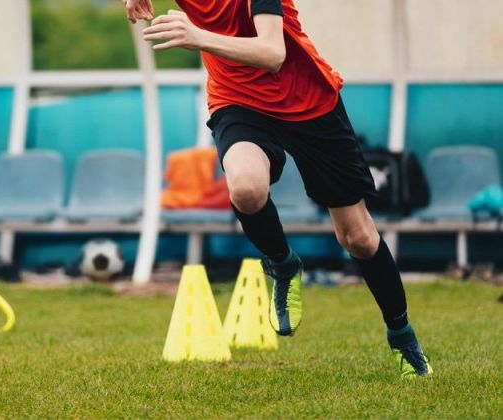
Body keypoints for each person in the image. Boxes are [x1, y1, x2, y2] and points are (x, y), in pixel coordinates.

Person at [124, 0, 433, 378]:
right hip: (238, 101)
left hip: (309, 105)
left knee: (358, 238)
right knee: (246, 188)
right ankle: (283, 263)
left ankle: (402, 335)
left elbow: (272, 52)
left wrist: (199, 36)